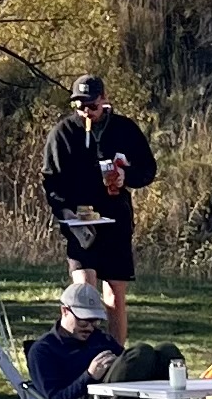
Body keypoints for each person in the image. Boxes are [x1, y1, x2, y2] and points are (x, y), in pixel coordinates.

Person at [40, 71, 157, 346]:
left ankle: (116, 351)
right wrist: (65, 214)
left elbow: (148, 169)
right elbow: (50, 180)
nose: (86, 112)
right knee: (84, 288)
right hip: (80, 223)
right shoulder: (63, 134)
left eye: (92, 105)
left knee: (114, 293)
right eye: (79, 106)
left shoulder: (124, 129)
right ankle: (84, 351)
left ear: (104, 100)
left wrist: (126, 177)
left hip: (115, 217)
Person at [23, 269, 125, 399]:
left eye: (95, 321)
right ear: (64, 311)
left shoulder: (99, 338)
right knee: (140, 355)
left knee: (164, 354)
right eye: (84, 321)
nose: (90, 328)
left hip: (121, 397)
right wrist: (89, 375)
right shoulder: (43, 350)